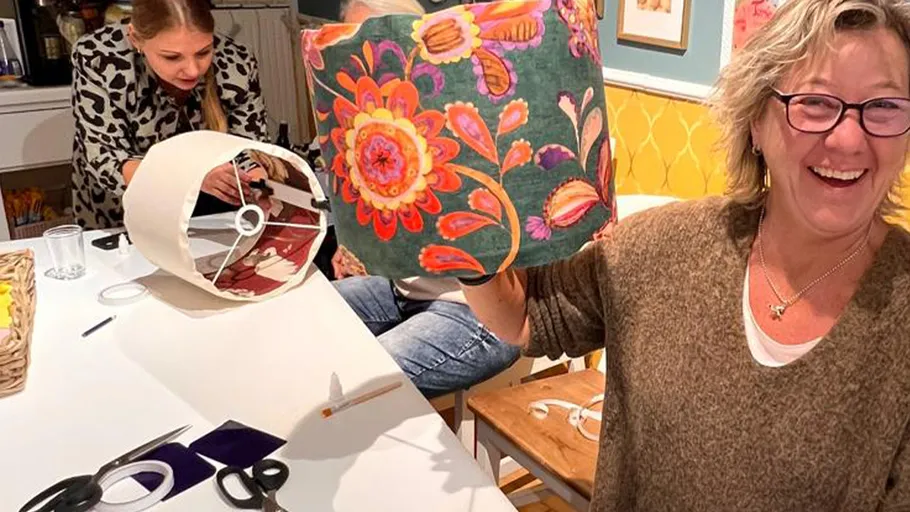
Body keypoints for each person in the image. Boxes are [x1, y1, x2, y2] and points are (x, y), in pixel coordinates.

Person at [462, 0, 910, 509]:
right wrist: (461, 237)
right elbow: (525, 315)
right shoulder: (659, 248)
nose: (849, 138)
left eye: (884, 107)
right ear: (756, 123)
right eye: (814, 103)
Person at [328, 0, 521, 400]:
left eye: (370, 43)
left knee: (357, 383)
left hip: (477, 310)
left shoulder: (466, 119)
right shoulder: (368, 121)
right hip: (400, 287)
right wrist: (357, 247)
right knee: (299, 323)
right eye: (347, 44)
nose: (357, 57)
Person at [70, 0, 269, 229]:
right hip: (123, 206)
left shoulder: (237, 63)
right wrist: (193, 176)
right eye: (172, 57)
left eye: (204, 52)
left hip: (212, 208)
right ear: (135, 39)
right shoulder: (98, 59)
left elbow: (250, 149)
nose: (193, 69)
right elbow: (107, 159)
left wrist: (259, 185)